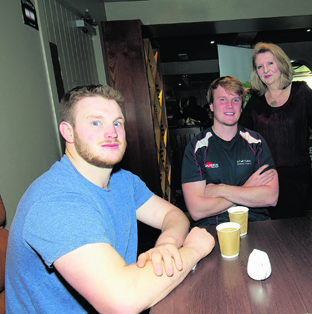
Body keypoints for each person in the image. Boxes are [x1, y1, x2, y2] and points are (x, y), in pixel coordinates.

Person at [5, 85, 215, 313]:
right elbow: (121, 300)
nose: (112, 133)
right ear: (68, 132)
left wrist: (167, 244)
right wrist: (194, 249)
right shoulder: (55, 201)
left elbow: (172, 215)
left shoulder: (123, 181)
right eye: (96, 122)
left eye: (117, 123)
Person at [239, 42, 312, 220]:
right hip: (265, 175)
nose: (266, 70)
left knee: (290, 225)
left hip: (296, 176)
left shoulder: (301, 92)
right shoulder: (256, 100)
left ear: (281, 64)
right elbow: (239, 133)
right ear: (256, 72)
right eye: (260, 66)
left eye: (270, 63)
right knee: (268, 226)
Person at [181, 76, 279, 226]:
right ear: (211, 106)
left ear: (241, 107)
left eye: (235, 100)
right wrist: (247, 188)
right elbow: (196, 210)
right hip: (212, 227)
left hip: (256, 224)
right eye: (222, 100)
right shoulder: (197, 147)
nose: (230, 106)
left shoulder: (256, 142)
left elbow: (271, 197)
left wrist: (220, 189)